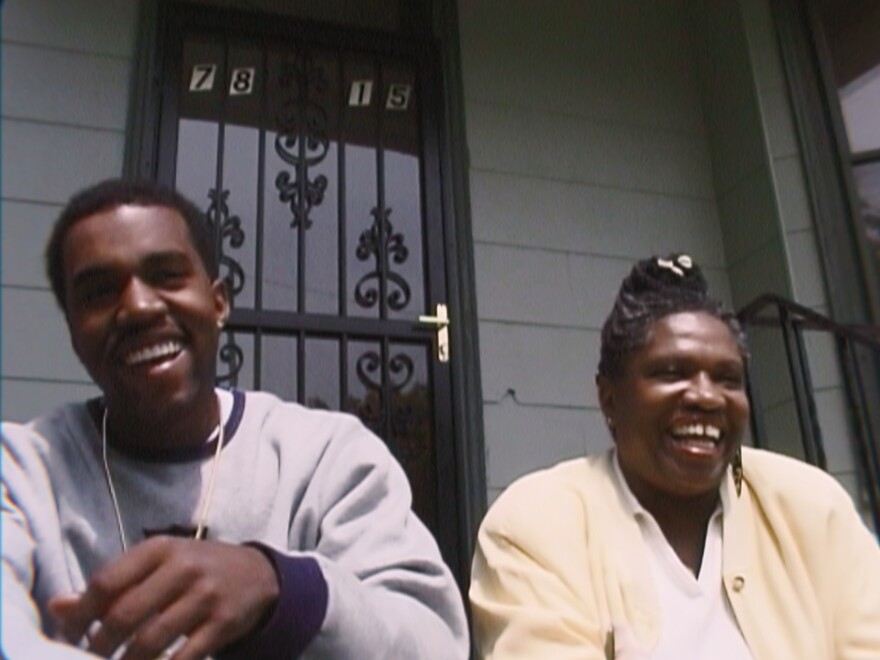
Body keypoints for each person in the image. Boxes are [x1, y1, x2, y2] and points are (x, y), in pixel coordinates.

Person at [1, 179, 469, 659]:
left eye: (166, 275)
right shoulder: (19, 472)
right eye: (99, 293)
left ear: (218, 302)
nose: (139, 307)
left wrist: (283, 589)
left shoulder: (326, 459)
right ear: (74, 332)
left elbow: (433, 644)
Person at [469, 253, 880, 659]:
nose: (705, 396)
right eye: (671, 372)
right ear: (609, 398)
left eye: (727, 378)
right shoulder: (536, 525)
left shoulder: (812, 507)